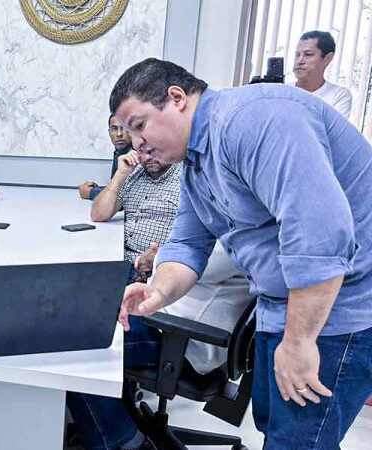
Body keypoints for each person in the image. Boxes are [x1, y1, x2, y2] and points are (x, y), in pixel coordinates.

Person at [112, 58, 372, 449]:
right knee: (276, 428)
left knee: (300, 441)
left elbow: (320, 236)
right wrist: (158, 291)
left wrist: (300, 342)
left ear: (177, 98)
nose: (136, 143)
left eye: (139, 124)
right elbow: (187, 243)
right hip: (281, 303)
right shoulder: (197, 161)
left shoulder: (253, 121)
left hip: (340, 306)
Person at [67, 243, 253, 450]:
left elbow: (189, 264)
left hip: (182, 339)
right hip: (172, 319)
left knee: (79, 343)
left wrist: (157, 257)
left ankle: (123, 441)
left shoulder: (238, 234)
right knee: (88, 307)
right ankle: (120, 421)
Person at [89, 147, 181, 281]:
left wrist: (161, 256)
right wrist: (120, 174)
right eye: (142, 151)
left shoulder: (187, 178)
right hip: (121, 262)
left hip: (158, 269)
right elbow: (98, 214)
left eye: (154, 150)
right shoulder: (133, 173)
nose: (148, 157)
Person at [293, 30, 352, 118]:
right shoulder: (281, 91)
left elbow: (332, 131)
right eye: (297, 55)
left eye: (308, 54)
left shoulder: (338, 95)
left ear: (328, 58)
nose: (299, 61)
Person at [78, 114, 133, 200]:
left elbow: (125, 199)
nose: (119, 134)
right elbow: (118, 188)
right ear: (109, 132)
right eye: (114, 129)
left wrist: (91, 193)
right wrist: (97, 189)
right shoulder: (119, 152)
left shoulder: (135, 154)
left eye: (124, 128)